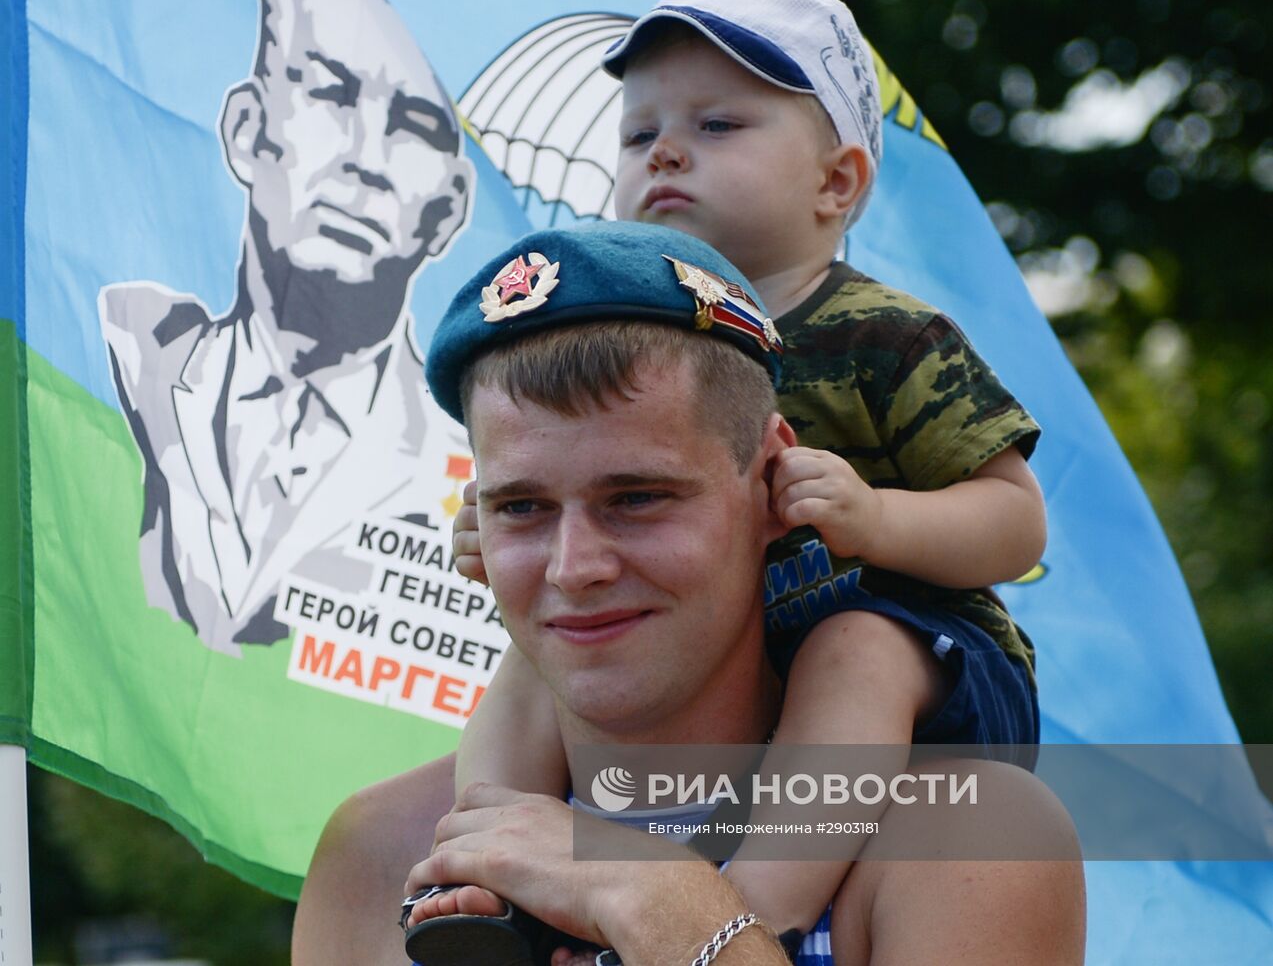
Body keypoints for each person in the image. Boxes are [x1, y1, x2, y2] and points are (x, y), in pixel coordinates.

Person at [291, 220, 1084, 965]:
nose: (574, 567)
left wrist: (662, 903)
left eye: (636, 498)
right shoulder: (382, 847)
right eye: (521, 508)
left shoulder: (968, 838)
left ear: (770, 481)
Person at [445, 0, 1047, 940]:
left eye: (719, 125)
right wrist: (493, 524)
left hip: (915, 662)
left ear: (835, 182)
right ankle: (480, 879)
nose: (667, 151)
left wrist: (875, 519)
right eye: (640, 136)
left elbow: (1016, 523)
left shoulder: (884, 334)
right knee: (533, 661)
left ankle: (758, 905)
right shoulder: (624, 351)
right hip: (729, 663)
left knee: (852, 648)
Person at [99, 0, 473, 654]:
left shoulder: (472, 485)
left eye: (413, 125)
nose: (365, 159)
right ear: (246, 130)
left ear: (448, 211)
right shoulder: (114, 353)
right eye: (330, 92)